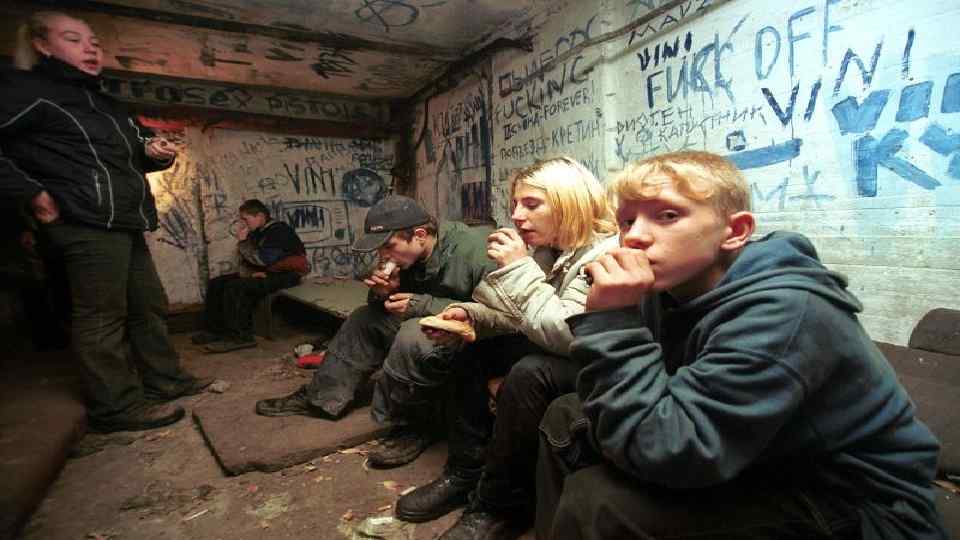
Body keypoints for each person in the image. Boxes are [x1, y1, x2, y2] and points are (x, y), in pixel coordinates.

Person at [535, 151, 948, 539]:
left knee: (597, 502)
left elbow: (672, 448)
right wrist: (615, 320)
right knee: (566, 416)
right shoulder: (666, 288)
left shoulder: (786, 311)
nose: (636, 237)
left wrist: (611, 324)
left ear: (735, 232)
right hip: (763, 451)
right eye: (627, 222)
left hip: (854, 496)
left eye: (667, 215)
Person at [0, 11, 211, 433]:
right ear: (42, 45)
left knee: (148, 305)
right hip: (84, 219)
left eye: (94, 41)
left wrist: (154, 152)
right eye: (74, 39)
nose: (90, 48)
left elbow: (133, 152)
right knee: (102, 315)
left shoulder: (106, 103)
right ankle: (115, 406)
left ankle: (165, 380)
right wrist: (31, 193)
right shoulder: (28, 91)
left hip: (124, 219)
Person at [395, 157, 618, 540]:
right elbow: (522, 316)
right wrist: (472, 317)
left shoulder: (604, 253)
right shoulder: (550, 251)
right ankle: (464, 473)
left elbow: (569, 334)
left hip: (598, 364)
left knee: (531, 372)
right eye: (515, 204)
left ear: (569, 203)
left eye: (531, 204)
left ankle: (501, 505)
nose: (516, 215)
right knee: (474, 352)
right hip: (566, 350)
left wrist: (517, 269)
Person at [255, 194, 497, 466]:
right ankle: (322, 396)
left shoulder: (474, 251)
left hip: (475, 339)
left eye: (389, 246)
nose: (383, 256)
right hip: (428, 322)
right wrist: (384, 293)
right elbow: (389, 307)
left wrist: (422, 305)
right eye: (380, 249)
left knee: (412, 335)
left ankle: (415, 425)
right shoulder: (409, 256)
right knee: (365, 319)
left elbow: (495, 313)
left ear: (419, 235)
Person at [191, 199, 307, 353]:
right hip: (268, 273)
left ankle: (241, 337)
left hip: (287, 275)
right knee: (216, 283)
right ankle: (215, 331)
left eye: (246, 219)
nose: (244, 224)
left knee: (236, 287)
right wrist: (252, 273)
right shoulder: (258, 232)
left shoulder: (279, 231)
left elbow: (261, 259)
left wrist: (243, 242)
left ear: (260, 216)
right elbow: (251, 261)